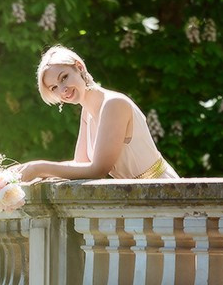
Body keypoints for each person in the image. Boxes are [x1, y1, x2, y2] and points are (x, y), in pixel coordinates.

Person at [17, 45, 180, 182]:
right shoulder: (87, 112)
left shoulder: (113, 104)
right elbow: (79, 165)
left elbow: (98, 169)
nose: (62, 90)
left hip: (162, 190)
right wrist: (32, 173)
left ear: (79, 67)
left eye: (64, 77)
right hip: (136, 196)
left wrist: (38, 168)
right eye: (54, 87)